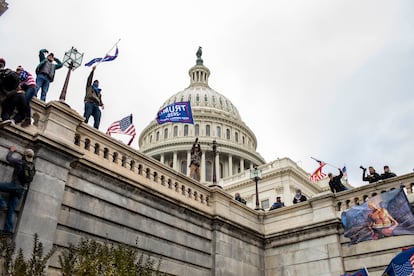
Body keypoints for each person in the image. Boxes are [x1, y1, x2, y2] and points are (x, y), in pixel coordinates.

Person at [0, 146, 36, 235]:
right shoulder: (32, 167)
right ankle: (7, 233)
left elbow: (9, 158)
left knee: (9, 207)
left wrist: (11, 151)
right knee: (11, 210)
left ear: (24, 155)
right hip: (21, 190)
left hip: (14, 186)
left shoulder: (20, 162)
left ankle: (2, 204)